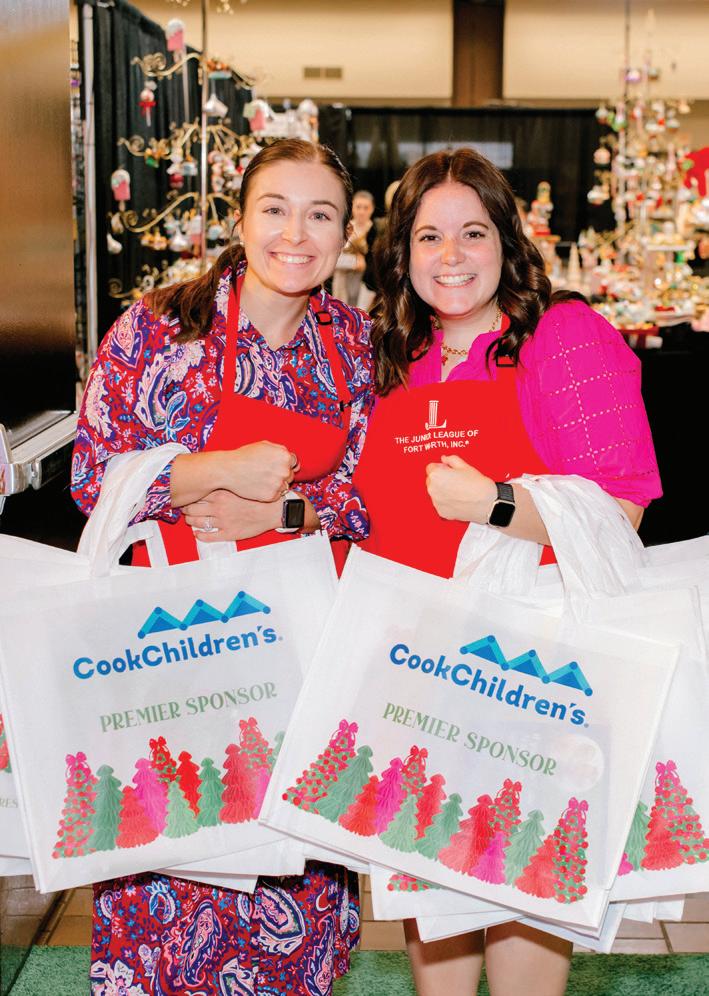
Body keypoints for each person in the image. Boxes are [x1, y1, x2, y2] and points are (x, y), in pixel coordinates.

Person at [352, 148, 661, 995]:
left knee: (523, 906)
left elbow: (620, 513)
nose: (450, 256)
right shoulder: (394, 359)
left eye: (473, 232)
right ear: (401, 253)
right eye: (428, 236)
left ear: (506, 241)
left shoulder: (563, 337)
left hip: (533, 678)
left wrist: (492, 503)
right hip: (416, 677)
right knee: (435, 926)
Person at [71, 138, 373, 995]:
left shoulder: (355, 345)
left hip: (297, 659)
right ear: (238, 220)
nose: (295, 234)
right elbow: (91, 476)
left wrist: (280, 511)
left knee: (294, 888)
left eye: (320, 215)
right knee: (162, 869)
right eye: (274, 209)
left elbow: (370, 499)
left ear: (345, 234)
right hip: (168, 656)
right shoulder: (160, 326)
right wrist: (212, 470)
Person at [332, 189, 376, 308]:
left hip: (365, 287)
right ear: (352, 207)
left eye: (366, 208)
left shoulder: (376, 230)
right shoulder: (343, 228)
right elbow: (331, 259)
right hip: (342, 284)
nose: (361, 212)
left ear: (372, 209)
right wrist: (354, 262)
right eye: (358, 207)